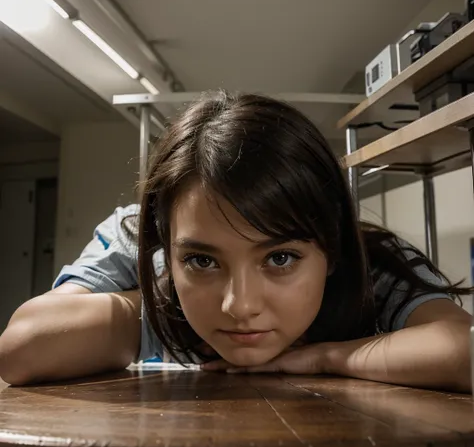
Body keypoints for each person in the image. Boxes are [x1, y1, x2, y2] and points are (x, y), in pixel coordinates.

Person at [0, 91, 472, 392]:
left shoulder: (374, 264)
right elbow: (24, 346)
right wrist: (168, 311)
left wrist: (322, 357)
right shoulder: (140, 236)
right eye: (203, 261)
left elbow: (462, 350)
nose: (239, 305)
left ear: (331, 248)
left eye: (280, 258)